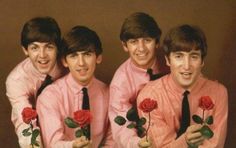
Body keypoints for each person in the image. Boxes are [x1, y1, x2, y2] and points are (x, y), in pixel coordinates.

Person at [137, 24, 228, 148]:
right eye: (179, 56)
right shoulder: (149, 96)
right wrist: (185, 142)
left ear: (202, 61)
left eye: (194, 56)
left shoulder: (219, 93)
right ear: (168, 60)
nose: (186, 66)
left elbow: (215, 145)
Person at [37, 26, 114, 148]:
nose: (81, 63)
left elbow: (112, 140)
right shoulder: (50, 96)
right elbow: (52, 144)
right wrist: (74, 146)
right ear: (64, 61)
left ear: (98, 57)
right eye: (73, 56)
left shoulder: (109, 93)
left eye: (87, 54)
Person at [109, 12, 169, 148]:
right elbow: (122, 125)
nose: (141, 48)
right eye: (133, 42)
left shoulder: (170, 62)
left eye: (147, 40)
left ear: (157, 42)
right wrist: (138, 144)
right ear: (125, 46)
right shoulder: (120, 82)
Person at [6, 16, 66, 147]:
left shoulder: (68, 65)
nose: (42, 55)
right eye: (35, 48)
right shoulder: (16, 80)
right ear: (25, 50)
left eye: (49, 47)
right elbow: (24, 122)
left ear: (58, 48)